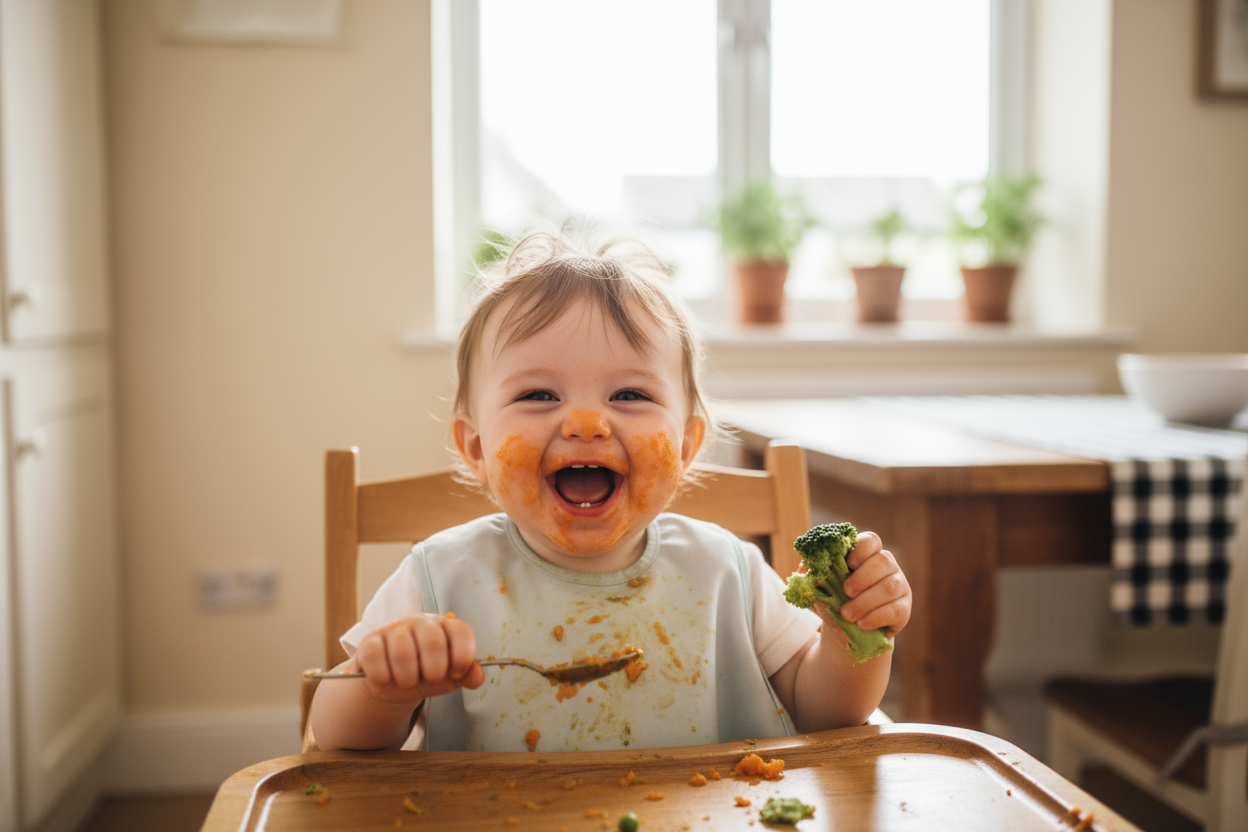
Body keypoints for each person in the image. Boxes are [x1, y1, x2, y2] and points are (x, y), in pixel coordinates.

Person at [309, 229, 912, 753]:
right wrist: (380, 685)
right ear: (476, 451)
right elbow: (331, 734)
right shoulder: (438, 579)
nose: (586, 424)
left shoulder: (728, 572)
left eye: (629, 395)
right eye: (538, 395)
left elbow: (826, 715)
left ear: (684, 446)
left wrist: (853, 634)